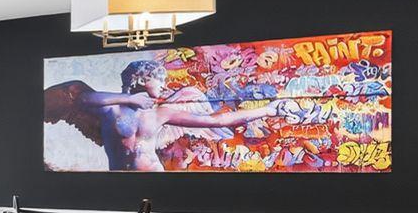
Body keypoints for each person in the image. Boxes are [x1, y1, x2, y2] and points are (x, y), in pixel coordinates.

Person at [52, 57, 275, 171]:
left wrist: (267, 110)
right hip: (120, 178)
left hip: (153, 175)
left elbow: (216, 121)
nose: (164, 85)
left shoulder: (161, 113)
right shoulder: (110, 109)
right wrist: (130, 99)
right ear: (141, 79)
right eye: (160, 79)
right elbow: (82, 99)